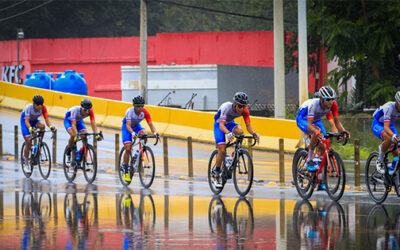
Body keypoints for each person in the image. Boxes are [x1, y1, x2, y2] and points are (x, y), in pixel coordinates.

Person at [296, 86, 350, 189]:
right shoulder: (314, 105)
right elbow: (310, 125)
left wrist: (342, 132)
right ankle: (310, 160)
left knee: (324, 144)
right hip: (303, 119)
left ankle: (320, 179)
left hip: (316, 120)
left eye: (332, 99)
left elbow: (336, 122)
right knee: (316, 131)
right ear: (321, 99)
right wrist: (316, 132)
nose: (331, 102)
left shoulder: (333, 104)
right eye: (328, 99)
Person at [212, 92, 259, 188]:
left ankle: (234, 155)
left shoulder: (245, 111)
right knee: (222, 149)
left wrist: (254, 134)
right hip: (219, 124)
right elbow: (221, 125)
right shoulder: (226, 107)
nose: (241, 109)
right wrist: (228, 133)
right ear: (235, 104)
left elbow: (248, 126)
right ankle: (216, 173)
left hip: (229, 123)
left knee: (240, 132)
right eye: (240, 106)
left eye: (244, 106)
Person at [121, 95, 159, 182]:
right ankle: (125, 168)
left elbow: (150, 124)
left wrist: (155, 133)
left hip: (136, 126)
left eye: (142, 106)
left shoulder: (145, 112)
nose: (140, 108)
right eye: (138, 106)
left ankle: (140, 152)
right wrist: (133, 133)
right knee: (128, 147)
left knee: (144, 134)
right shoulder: (130, 112)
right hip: (127, 127)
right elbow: (128, 126)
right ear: (134, 105)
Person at [20, 95, 56, 172]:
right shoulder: (28, 108)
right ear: (34, 104)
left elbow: (47, 119)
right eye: (38, 105)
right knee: (28, 141)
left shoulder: (43, 107)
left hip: (34, 121)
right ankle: (26, 162)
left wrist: (51, 127)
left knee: (42, 126)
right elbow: (26, 121)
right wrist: (30, 128)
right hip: (25, 122)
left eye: (41, 105)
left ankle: (39, 144)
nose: (40, 107)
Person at [64, 98, 101, 167]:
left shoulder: (90, 111)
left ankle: (81, 156)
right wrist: (76, 134)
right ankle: (68, 151)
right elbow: (73, 124)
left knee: (85, 135)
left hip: (79, 121)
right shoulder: (75, 110)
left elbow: (93, 123)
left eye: (88, 110)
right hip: (69, 121)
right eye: (85, 110)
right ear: (81, 107)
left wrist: (96, 134)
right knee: (73, 135)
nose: (87, 112)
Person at [371, 91, 400, 174]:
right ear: (397, 102)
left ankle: (391, 172)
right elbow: (386, 127)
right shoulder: (389, 107)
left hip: (390, 125)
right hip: (378, 124)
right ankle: (379, 160)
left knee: (396, 152)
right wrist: (393, 136)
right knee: (389, 138)